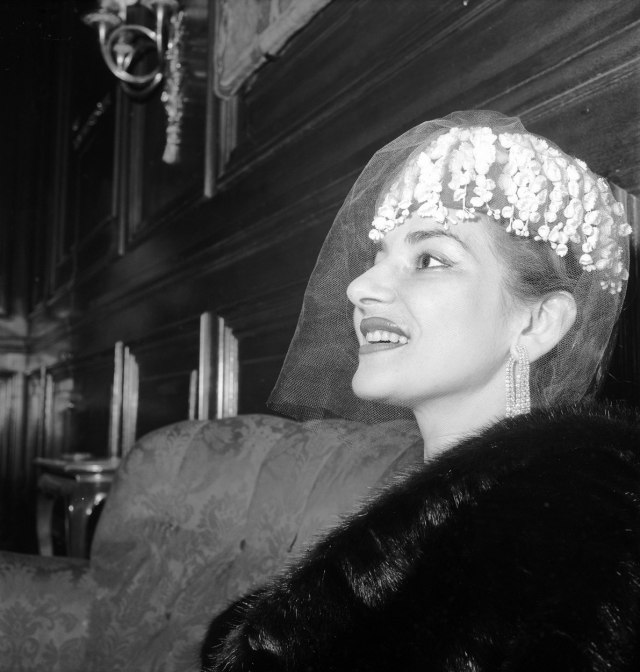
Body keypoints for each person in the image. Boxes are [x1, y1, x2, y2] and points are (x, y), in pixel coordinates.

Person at [201, 110, 640, 671]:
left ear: (537, 323)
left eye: (429, 259)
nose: (361, 287)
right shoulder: (466, 517)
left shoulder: (568, 550)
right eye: (378, 257)